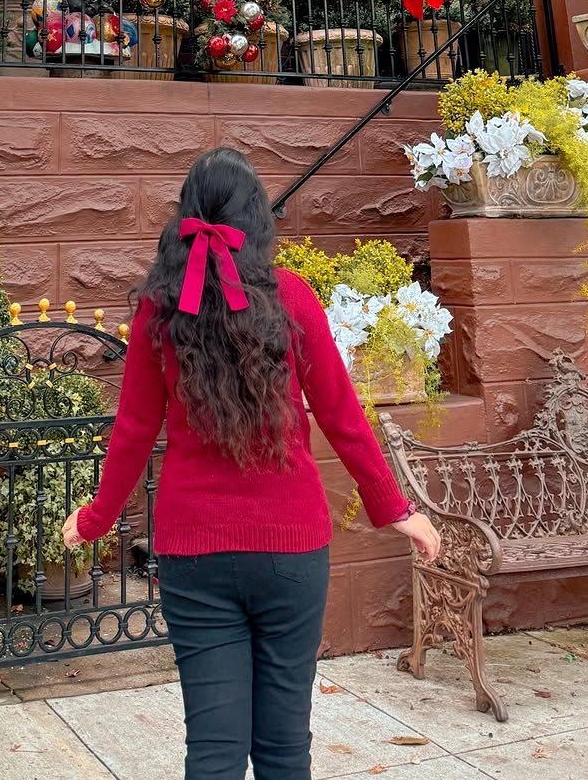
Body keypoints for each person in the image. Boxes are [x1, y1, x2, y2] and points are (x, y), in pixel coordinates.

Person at [62, 148, 440, 780]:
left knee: (213, 750)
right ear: (257, 220)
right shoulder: (291, 297)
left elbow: (133, 429)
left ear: (186, 217)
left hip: (194, 550)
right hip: (291, 548)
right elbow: (341, 413)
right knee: (285, 746)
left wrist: (97, 517)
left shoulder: (160, 310)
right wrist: (394, 507)